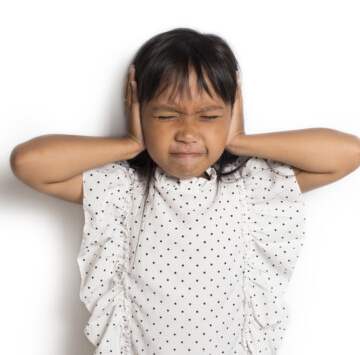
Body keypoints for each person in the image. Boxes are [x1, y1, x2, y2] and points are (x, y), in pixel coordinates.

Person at [9, 28, 360, 355]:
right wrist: (129, 144)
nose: (188, 133)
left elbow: (347, 153)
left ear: (232, 112)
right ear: (138, 111)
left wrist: (239, 140)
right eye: (166, 116)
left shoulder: (249, 187)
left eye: (208, 117)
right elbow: (28, 163)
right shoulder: (123, 190)